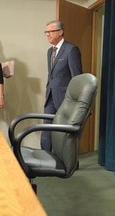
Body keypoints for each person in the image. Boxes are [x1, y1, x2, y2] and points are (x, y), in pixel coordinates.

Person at [41, 20, 82, 151]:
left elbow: (77, 77)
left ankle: (68, 162)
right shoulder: (49, 51)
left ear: (60, 32)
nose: (47, 34)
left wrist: (77, 101)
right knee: (46, 130)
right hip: (50, 97)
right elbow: (51, 75)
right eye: (46, 32)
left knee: (64, 132)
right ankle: (45, 158)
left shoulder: (71, 50)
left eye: (50, 31)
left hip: (66, 98)